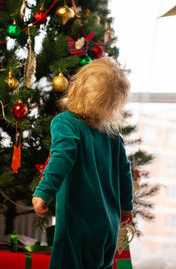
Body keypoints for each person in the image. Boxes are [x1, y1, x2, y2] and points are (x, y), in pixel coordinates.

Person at [32, 57, 133, 269]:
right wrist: (126, 206)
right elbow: (125, 171)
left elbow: (62, 156)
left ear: (74, 89)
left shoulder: (65, 123)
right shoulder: (113, 134)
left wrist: (43, 192)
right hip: (109, 228)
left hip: (78, 227)